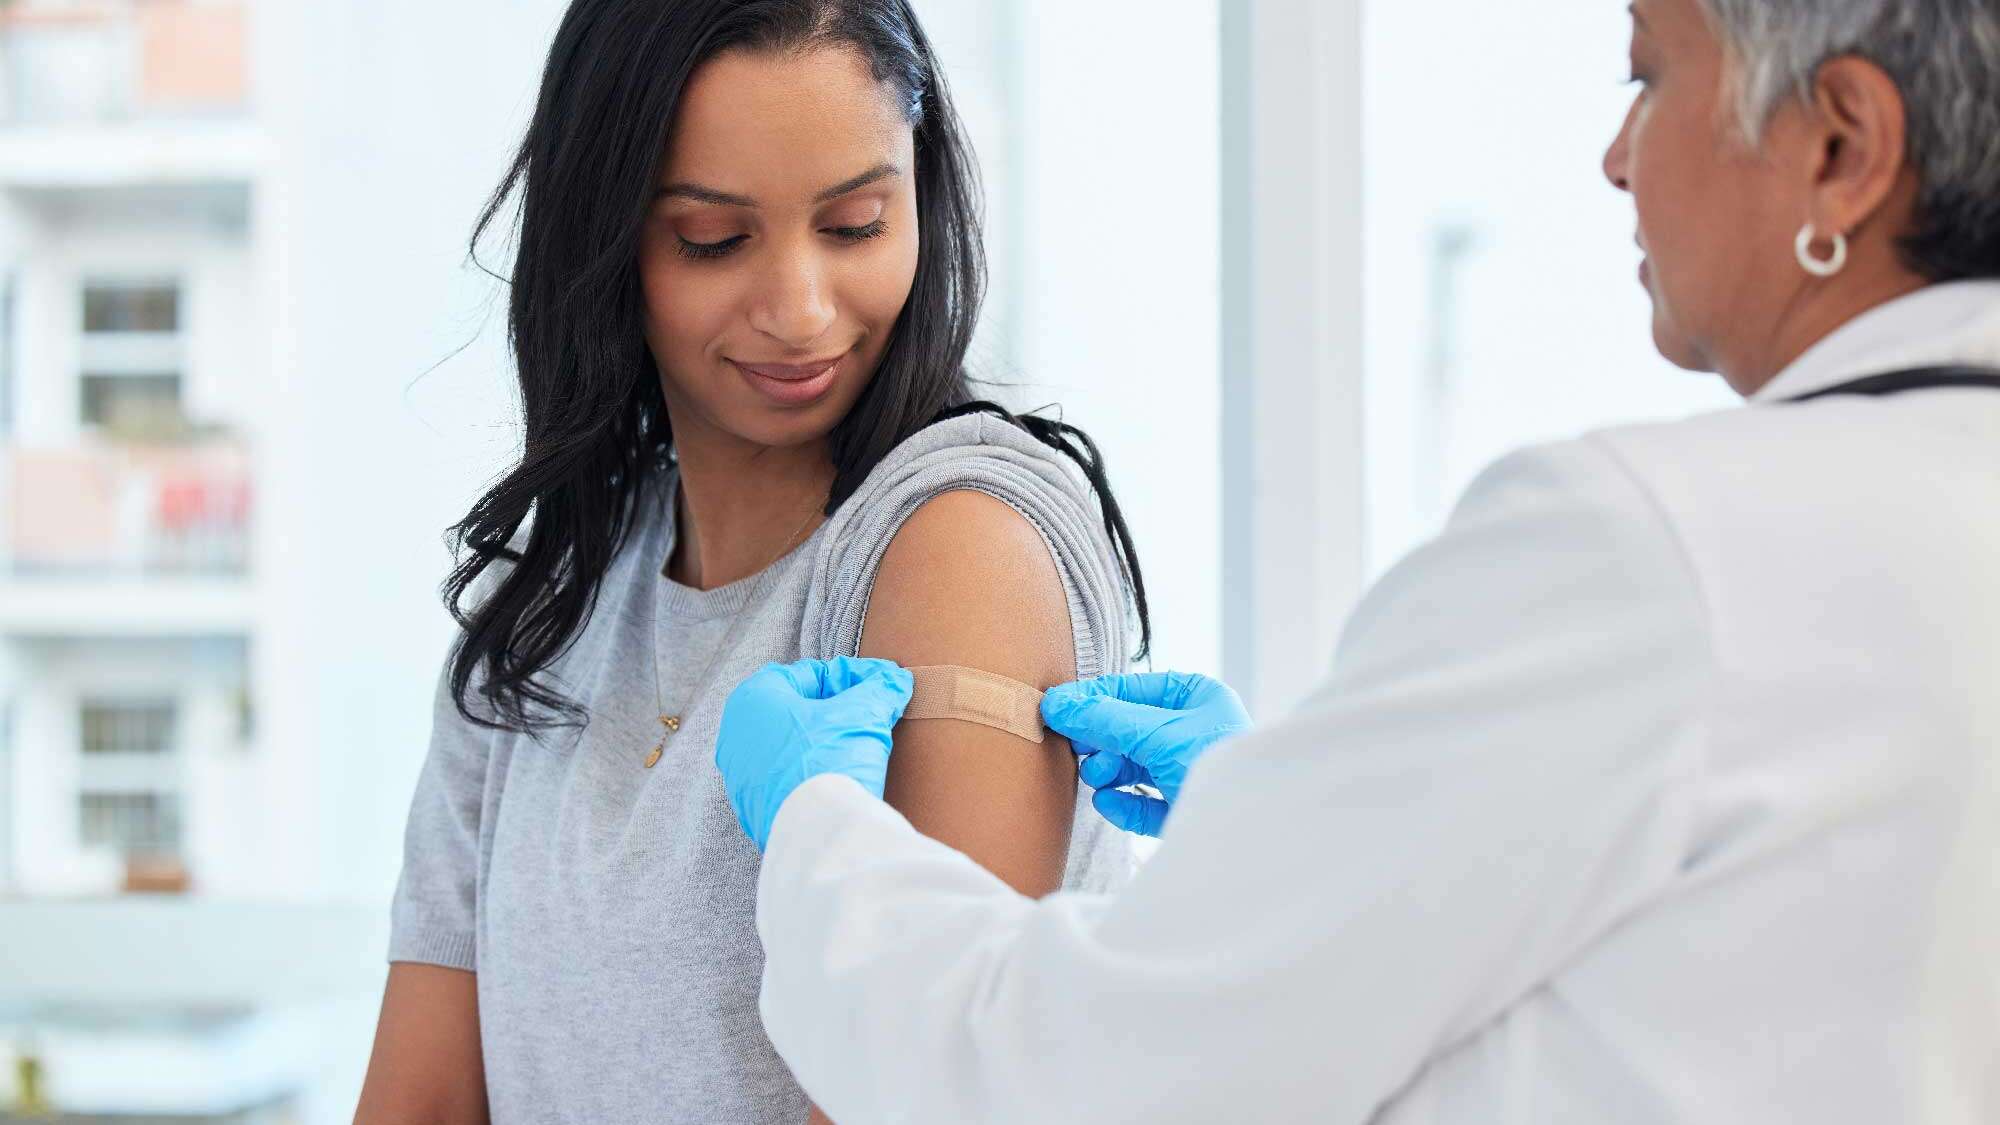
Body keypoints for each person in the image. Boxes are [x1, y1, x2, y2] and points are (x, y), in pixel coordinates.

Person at [713, 0, 2000, 1119]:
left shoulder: (1651, 547)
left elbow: (1073, 1081)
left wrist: (823, 834)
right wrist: (1279, 824)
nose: (1614, 160)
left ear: (1840, 146)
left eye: (1647, 75)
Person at [352, 1, 1153, 1121]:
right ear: (606, 236)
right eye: (712, 241)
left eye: (856, 224)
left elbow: (922, 1093)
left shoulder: (954, 542)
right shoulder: (541, 606)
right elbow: (422, 1102)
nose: (800, 311)